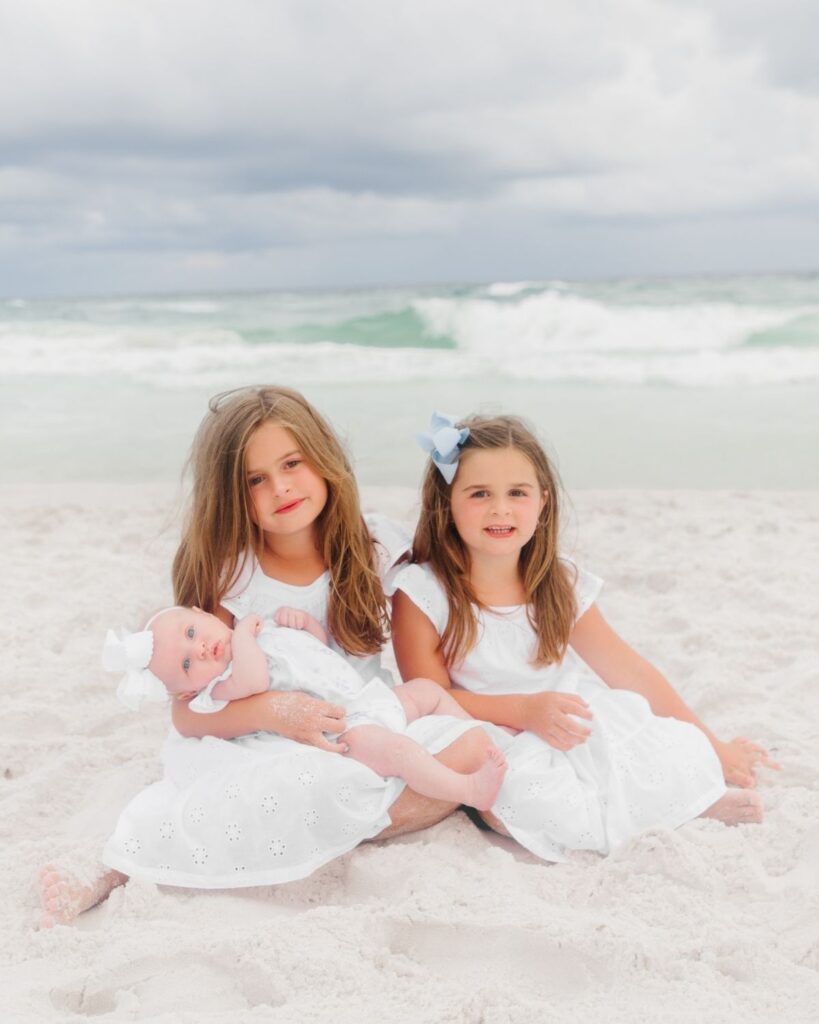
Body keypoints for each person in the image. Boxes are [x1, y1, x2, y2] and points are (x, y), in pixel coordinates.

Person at [39, 387, 487, 927]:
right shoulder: (235, 577)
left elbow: (466, 566)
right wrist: (274, 712)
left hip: (367, 720)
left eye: (292, 463)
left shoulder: (376, 547)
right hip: (268, 743)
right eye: (255, 479)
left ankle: (326, 826)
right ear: (232, 494)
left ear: (323, 457)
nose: (281, 487)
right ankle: (118, 865)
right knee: (261, 793)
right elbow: (187, 711)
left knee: (461, 752)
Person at [390, 412, 780, 862]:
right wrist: (523, 710)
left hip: (569, 718)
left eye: (518, 493)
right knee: (521, 789)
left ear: (543, 502)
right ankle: (660, 814)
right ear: (447, 504)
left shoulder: (557, 581)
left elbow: (628, 670)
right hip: (490, 729)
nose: (501, 508)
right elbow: (429, 696)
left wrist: (715, 743)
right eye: (480, 494)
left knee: (663, 745)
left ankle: (689, 803)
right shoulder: (422, 592)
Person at [104, 603, 507, 811]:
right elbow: (257, 681)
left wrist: (304, 626)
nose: (200, 649)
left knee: (424, 690)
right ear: (186, 692)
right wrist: (243, 633)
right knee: (399, 752)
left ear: (202, 613)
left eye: (192, 632)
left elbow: (319, 652)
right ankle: (469, 790)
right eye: (187, 664)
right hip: (344, 728)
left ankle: (491, 741)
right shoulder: (222, 687)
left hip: (365, 699)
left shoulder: (262, 632)